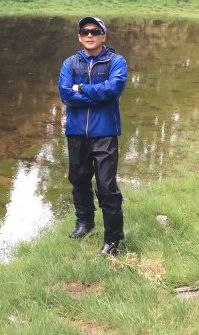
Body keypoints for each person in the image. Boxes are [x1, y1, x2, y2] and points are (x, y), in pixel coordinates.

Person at [58, 17, 127, 255]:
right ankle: (85, 222)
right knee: (78, 179)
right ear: (79, 36)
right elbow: (66, 95)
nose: (90, 35)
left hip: (105, 132)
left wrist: (83, 88)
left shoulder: (116, 61)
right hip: (76, 132)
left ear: (103, 35)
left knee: (107, 187)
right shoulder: (69, 63)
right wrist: (96, 96)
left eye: (95, 31)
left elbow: (113, 89)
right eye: (85, 31)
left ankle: (113, 239)